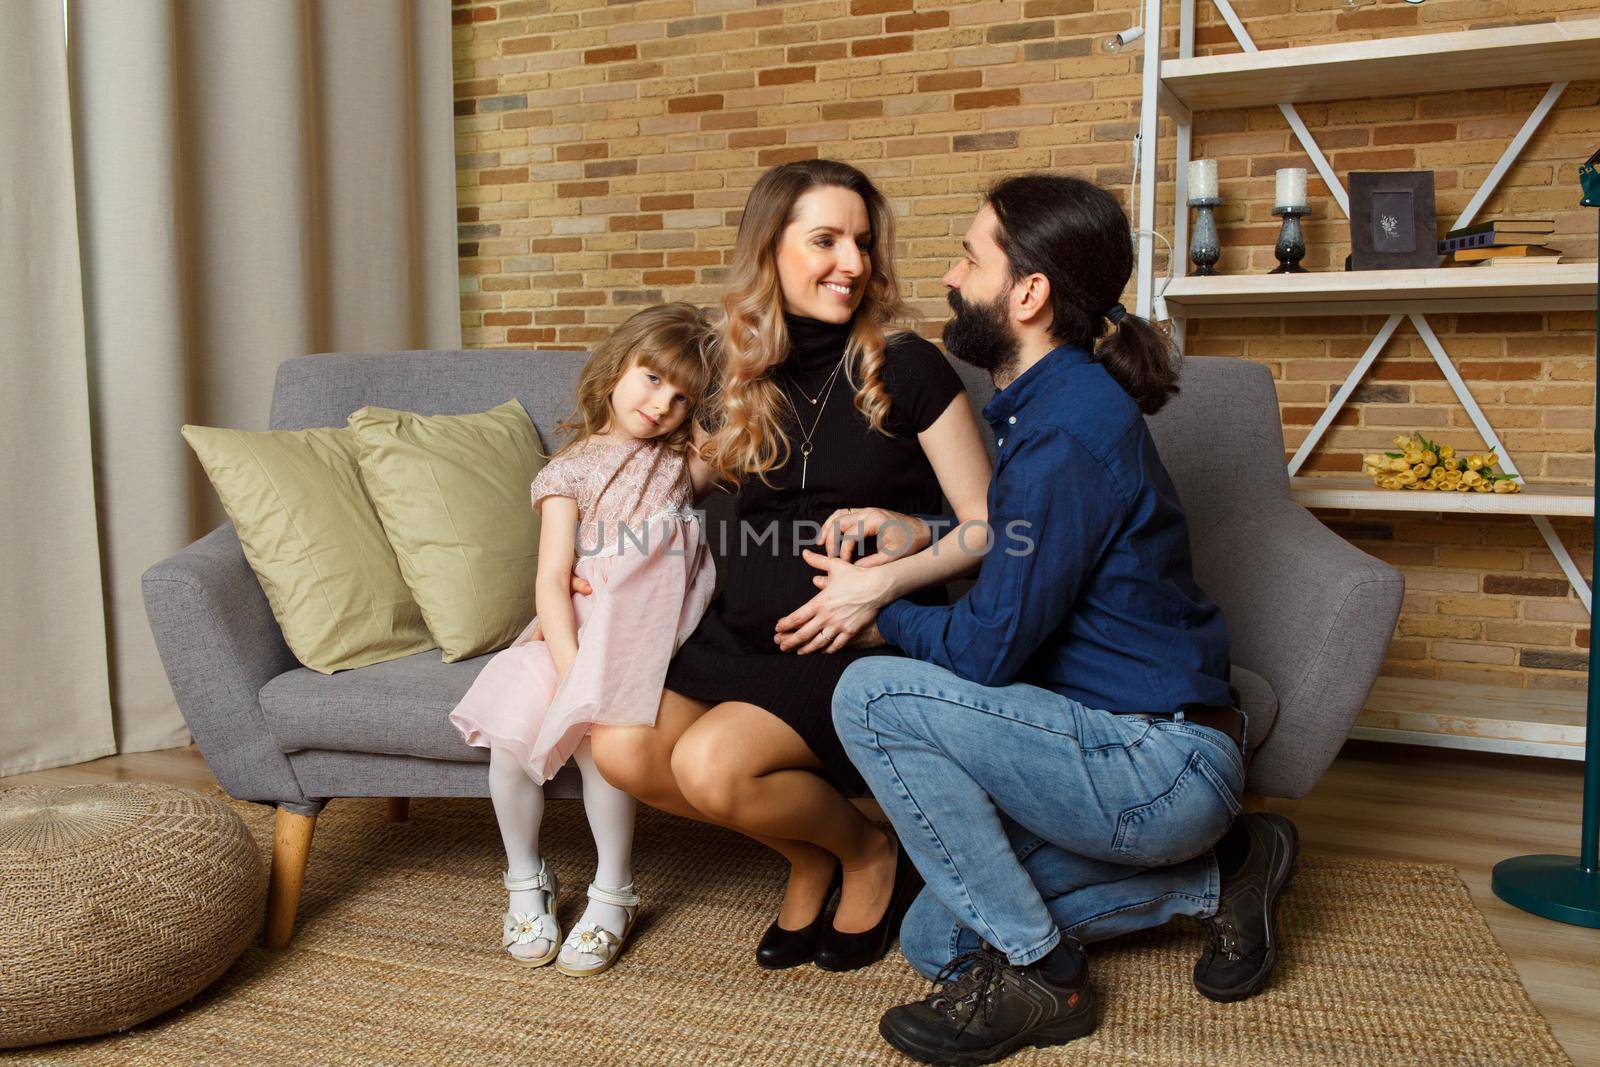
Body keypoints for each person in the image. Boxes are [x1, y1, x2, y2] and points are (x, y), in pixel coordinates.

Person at [832, 174, 1300, 1064]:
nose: (948, 277)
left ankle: (1048, 979)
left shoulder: (1067, 427)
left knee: (870, 696)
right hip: (1115, 749)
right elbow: (1040, 541)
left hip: (1154, 762)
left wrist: (879, 612)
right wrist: (924, 532)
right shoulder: (1050, 408)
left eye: (969, 258)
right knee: (938, 939)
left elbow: (985, 650)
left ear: (1029, 293)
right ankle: (1221, 872)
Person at [587, 159, 995, 972]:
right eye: (826, 240)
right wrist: (580, 552)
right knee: (622, 750)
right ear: (770, 249)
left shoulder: (909, 367)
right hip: (735, 635)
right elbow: (651, 487)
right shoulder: (736, 375)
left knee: (710, 766)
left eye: (863, 243)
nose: (853, 262)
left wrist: (888, 570)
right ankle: (811, 855)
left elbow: (989, 530)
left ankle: (870, 850)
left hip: (850, 645)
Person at [449, 302, 722, 977]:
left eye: (682, 395)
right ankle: (524, 878)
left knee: (608, 752)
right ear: (617, 364)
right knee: (512, 751)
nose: (662, 403)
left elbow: (749, 418)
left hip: (634, 637)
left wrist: (724, 350)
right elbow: (550, 579)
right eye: (652, 378)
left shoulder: (684, 463)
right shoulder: (569, 469)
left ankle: (613, 891)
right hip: (568, 632)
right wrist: (572, 667)